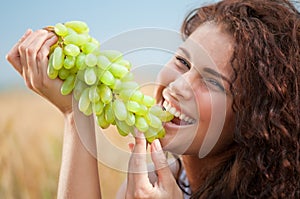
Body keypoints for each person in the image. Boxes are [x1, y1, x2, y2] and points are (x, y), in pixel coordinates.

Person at [6, 0, 300, 198]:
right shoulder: (157, 181)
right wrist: (75, 114)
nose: (179, 87)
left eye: (212, 82)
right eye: (183, 62)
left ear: (255, 119)